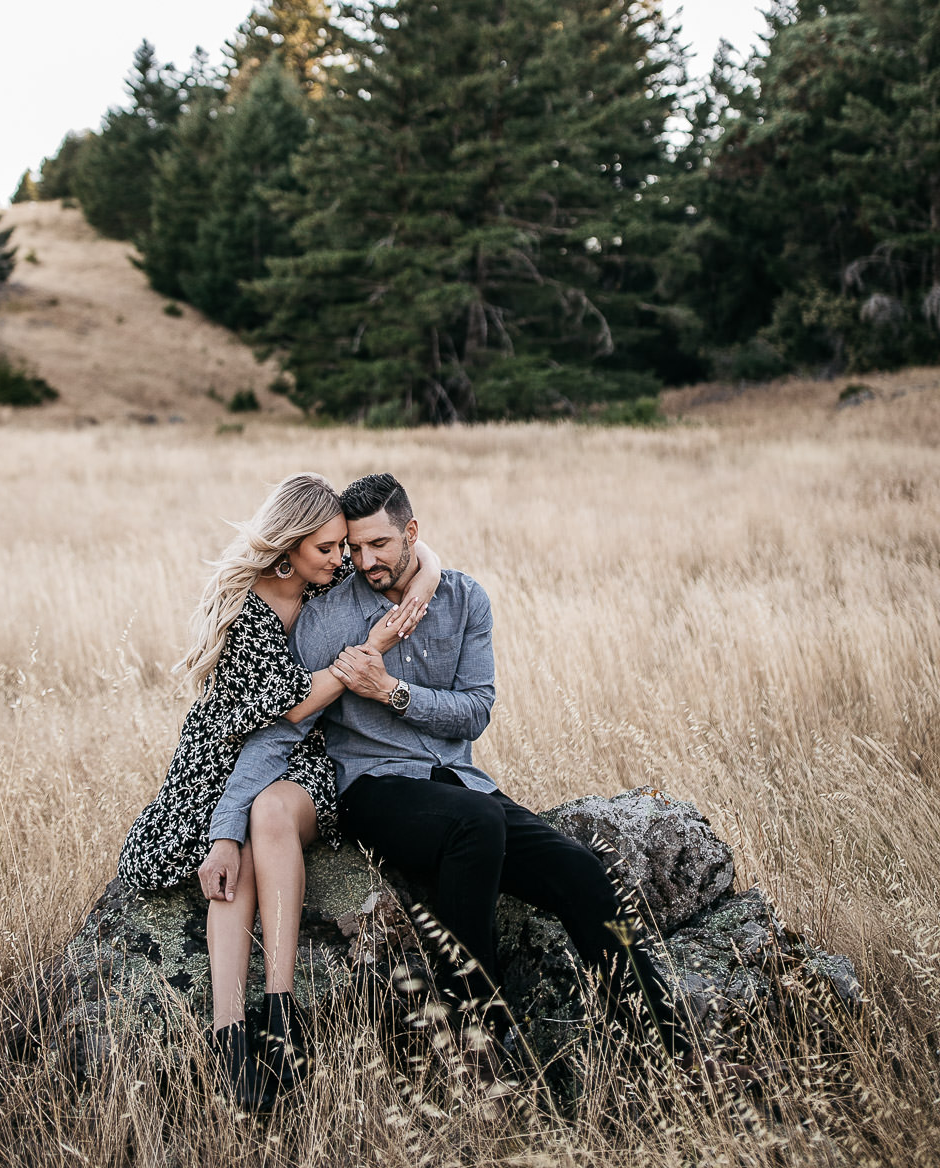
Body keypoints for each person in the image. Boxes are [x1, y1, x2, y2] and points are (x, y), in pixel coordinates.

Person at [207, 470, 684, 1073]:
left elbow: (475, 712)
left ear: (412, 533)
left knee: (582, 873)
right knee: (475, 825)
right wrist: (228, 827)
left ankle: (667, 1046)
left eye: (378, 544)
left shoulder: (463, 600)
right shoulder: (326, 618)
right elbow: (282, 730)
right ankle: (477, 1028)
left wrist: (393, 692)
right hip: (374, 787)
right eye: (354, 547)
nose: (364, 559)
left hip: (461, 783)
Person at [117, 471, 441, 1109]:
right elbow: (289, 711)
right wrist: (369, 648)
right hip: (228, 754)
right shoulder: (248, 614)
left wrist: (425, 579)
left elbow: (417, 550)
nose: (343, 560)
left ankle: (278, 1018)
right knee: (223, 851)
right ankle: (231, 1036)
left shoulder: (329, 579)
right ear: (288, 548)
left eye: (342, 548)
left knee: (262, 817)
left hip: (297, 758)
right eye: (326, 549)